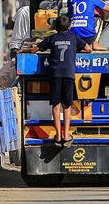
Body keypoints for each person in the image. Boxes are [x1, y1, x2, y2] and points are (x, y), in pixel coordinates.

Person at [27, 16, 92, 147]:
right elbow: (89, 49)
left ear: (55, 28)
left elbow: (35, 49)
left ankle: (58, 136)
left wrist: (24, 50)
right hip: (68, 74)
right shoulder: (74, 38)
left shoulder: (52, 38)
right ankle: (67, 135)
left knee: (56, 105)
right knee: (67, 105)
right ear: (69, 28)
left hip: (55, 74)